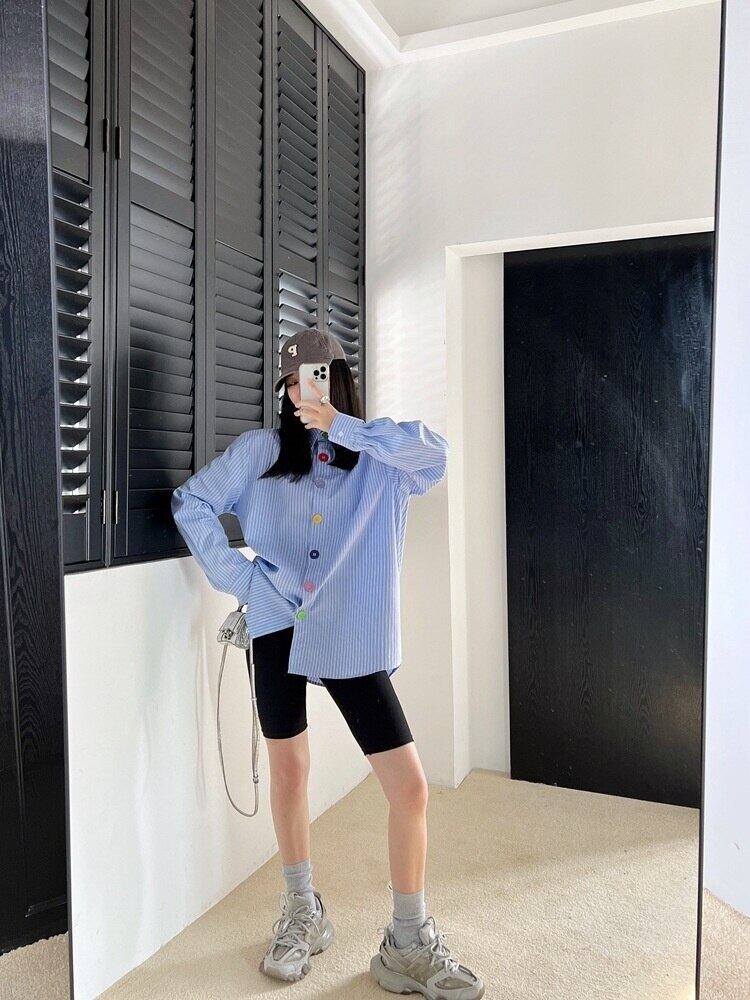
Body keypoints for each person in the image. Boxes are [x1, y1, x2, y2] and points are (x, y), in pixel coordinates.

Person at [171, 328, 484, 998]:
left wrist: (344, 426)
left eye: (313, 377)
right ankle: (302, 910)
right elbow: (191, 501)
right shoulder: (259, 452)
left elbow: (436, 455)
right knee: (289, 768)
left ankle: (407, 940)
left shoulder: (380, 458)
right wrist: (242, 579)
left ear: (338, 379)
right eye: (289, 381)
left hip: (350, 633)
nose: (298, 392)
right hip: (277, 624)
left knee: (409, 787)